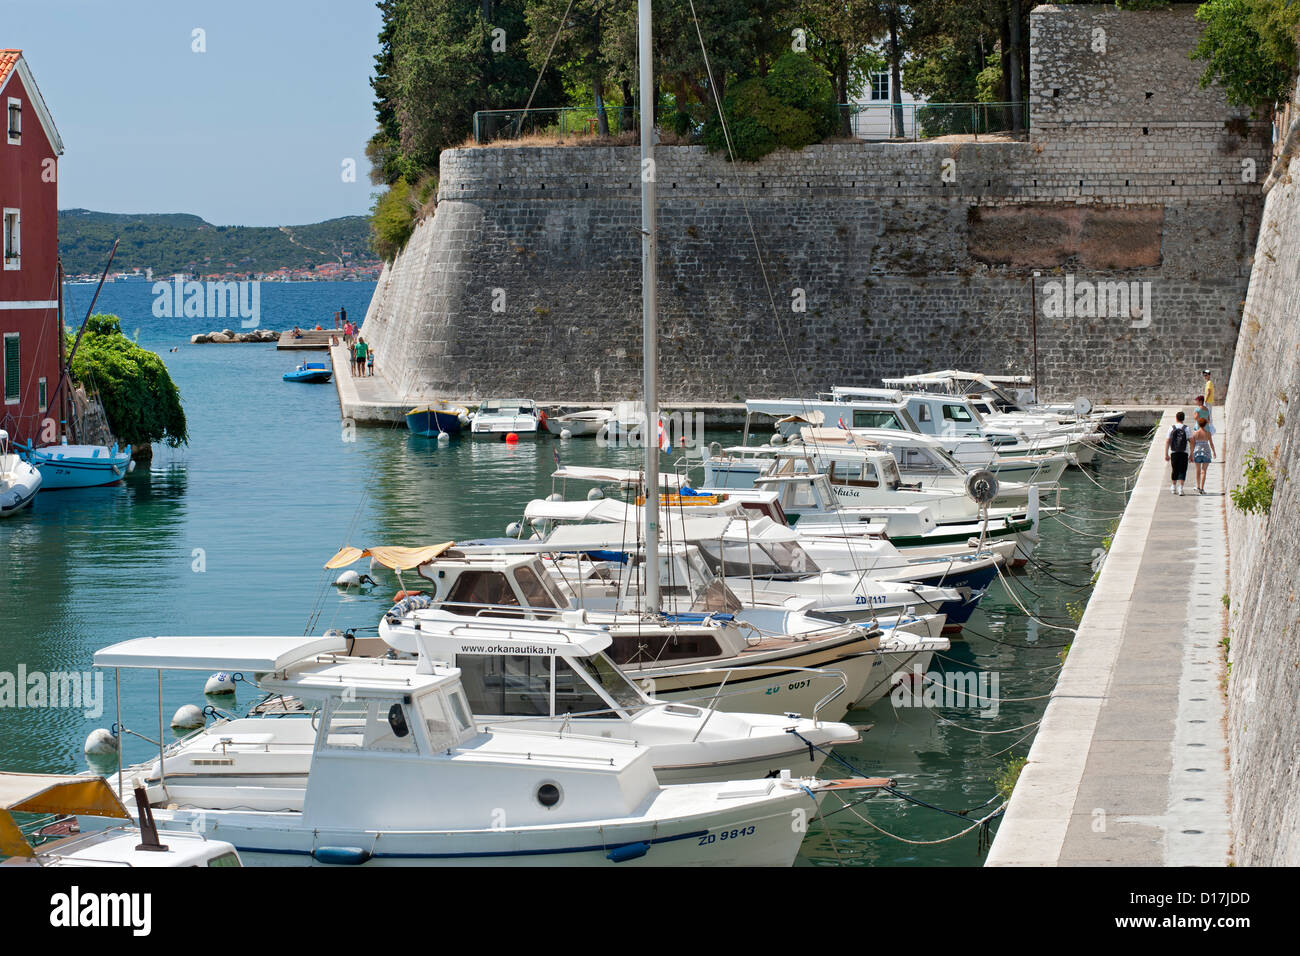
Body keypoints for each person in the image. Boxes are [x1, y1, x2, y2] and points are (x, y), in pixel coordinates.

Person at [1165, 411, 1191, 496]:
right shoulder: (1186, 428)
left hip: (1174, 452)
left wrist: (1166, 454)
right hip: (1184, 452)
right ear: (1183, 419)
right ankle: (1181, 488)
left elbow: (1167, 441)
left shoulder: (1171, 428)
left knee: (1174, 469)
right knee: (1183, 470)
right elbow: (1192, 441)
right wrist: (1192, 454)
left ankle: (1173, 487)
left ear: (1176, 418)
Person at [1191, 416, 1216, 495]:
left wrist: (1191, 454)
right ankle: (1202, 488)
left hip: (1197, 452)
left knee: (1197, 470)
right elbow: (1211, 443)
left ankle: (1197, 486)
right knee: (1204, 471)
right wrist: (1214, 452)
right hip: (1206, 452)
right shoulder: (1208, 433)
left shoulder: (1195, 433)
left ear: (1198, 424)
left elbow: (1192, 444)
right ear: (1205, 425)